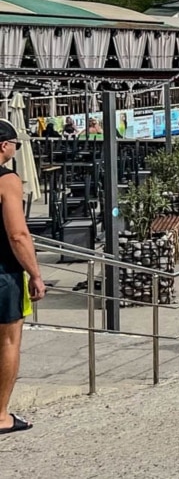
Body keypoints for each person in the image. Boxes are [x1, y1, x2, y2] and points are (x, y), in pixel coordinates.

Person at [0, 120, 45, 434]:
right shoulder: (7, 180)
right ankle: (1, 415)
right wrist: (36, 273)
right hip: (3, 272)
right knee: (8, 340)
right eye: (16, 143)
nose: (16, 149)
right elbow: (17, 234)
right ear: (4, 145)